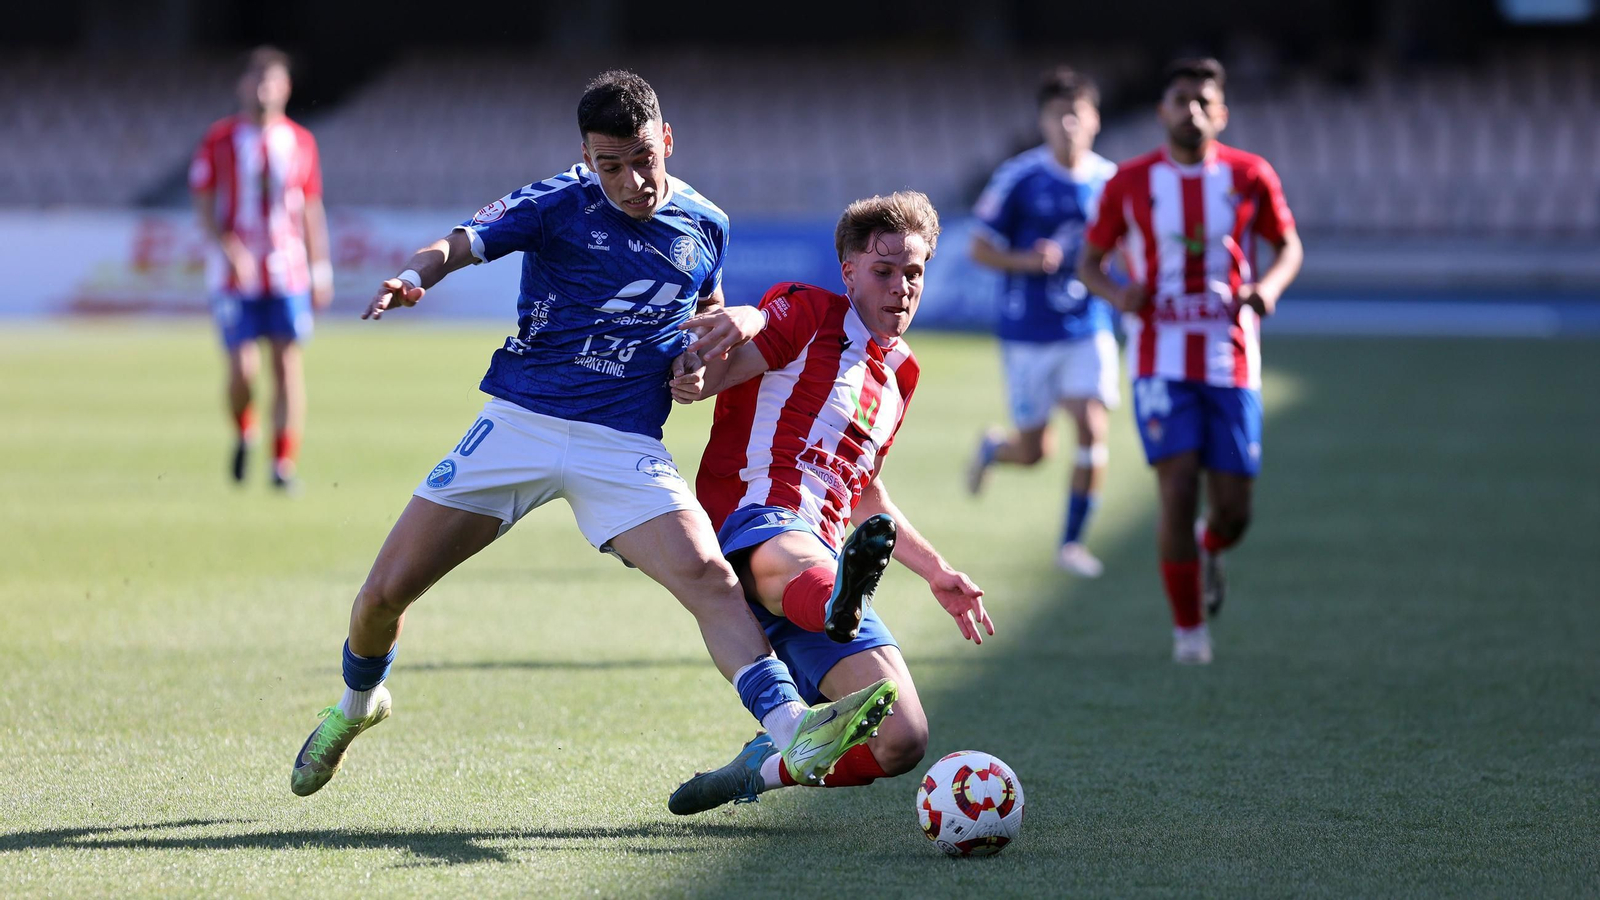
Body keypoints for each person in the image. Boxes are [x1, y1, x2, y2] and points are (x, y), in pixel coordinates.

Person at [288, 70, 896, 797]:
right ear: (587, 158)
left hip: (623, 443)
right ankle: (357, 706)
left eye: (643, 159)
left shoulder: (706, 224)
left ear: (666, 141)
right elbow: (459, 242)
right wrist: (414, 277)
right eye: (610, 166)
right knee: (384, 595)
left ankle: (795, 729)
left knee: (707, 576)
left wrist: (698, 366)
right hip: (521, 422)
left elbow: (699, 332)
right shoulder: (556, 202)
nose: (632, 180)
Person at [662, 191, 993, 814]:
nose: (902, 287)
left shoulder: (903, 374)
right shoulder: (810, 312)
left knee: (902, 738)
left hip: (822, 561)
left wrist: (936, 571)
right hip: (753, 522)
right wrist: (695, 368)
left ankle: (764, 769)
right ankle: (835, 600)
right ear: (849, 272)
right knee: (792, 553)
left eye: (914, 273)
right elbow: (719, 376)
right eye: (884, 271)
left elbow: (862, 488)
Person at [1076, 58, 1303, 664]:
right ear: (1162, 111)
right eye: (1182, 99)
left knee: (1234, 509)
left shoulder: (1251, 175)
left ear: (1221, 113)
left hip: (1231, 358)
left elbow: (1288, 246)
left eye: (1205, 101)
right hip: (1159, 358)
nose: (1193, 111)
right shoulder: (1129, 182)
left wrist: (1270, 288)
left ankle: (1212, 544)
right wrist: (1120, 292)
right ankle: (1189, 633)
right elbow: (1089, 264)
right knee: (1176, 487)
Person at [965, 67, 1121, 578]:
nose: (1069, 123)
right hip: (1027, 331)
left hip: (1086, 325)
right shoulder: (1020, 177)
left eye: (1078, 112)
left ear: (1095, 120)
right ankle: (997, 447)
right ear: (1044, 121)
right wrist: (1028, 261)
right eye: (1058, 114)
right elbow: (980, 248)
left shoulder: (1111, 181)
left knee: (1091, 423)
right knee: (1034, 453)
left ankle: (1072, 545)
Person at [190, 46, 333, 491]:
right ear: (242, 86)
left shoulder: (301, 141)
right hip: (236, 276)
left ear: (286, 88)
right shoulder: (219, 140)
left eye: (271, 80)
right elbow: (204, 204)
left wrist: (320, 266)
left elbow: (311, 209)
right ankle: (245, 431)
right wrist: (228, 248)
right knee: (243, 371)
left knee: (288, 367)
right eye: (255, 79)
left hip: (287, 272)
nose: (263, 87)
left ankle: (282, 465)